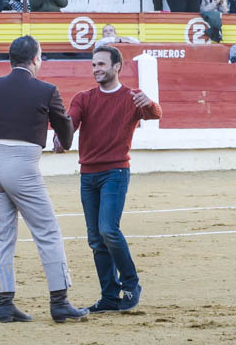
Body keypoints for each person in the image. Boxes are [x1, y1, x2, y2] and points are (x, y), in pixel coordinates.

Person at [0, 35, 89, 324]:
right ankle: (59, 302)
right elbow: (65, 128)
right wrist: (64, 140)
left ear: (10, 60)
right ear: (36, 59)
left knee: (1, 236)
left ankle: (5, 303)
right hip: (23, 167)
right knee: (47, 231)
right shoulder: (46, 90)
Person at [54, 46, 162, 314]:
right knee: (96, 239)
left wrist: (148, 102)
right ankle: (110, 296)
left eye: (101, 64)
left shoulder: (131, 97)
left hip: (115, 172)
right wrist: (60, 137)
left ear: (117, 67)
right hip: (88, 174)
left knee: (108, 230)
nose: (96, 69)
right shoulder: (84, 98)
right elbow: (71, 124)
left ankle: (131, 284)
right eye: (93, 65)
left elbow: (156, 114)